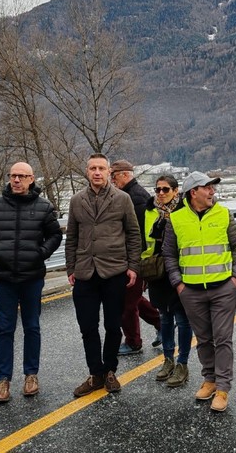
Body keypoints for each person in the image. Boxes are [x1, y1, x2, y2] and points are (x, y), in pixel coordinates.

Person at [0, 162, 63, 403]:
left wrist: (41, 252)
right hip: (4, 277)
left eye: (21, 176)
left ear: (31, 179)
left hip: (32, 277)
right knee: (5, 329)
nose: (16, 180)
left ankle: (31, 375)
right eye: (13, 176)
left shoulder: (43, 207)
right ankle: (3, 380)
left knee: (32, 326)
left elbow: (56, 235)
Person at [162, 171, 236, 412]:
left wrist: (235, 278)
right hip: (192, 291)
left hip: (223, 289)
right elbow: (169, 254)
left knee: (222, 339)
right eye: (207, 187)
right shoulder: (175, 220)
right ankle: (209, 379)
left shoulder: (223, 214)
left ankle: (222, 389)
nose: (212, 192)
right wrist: (179, 283)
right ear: (193, 192)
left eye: (213, 187)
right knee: (205, 339)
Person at [65, 153, 142, 397]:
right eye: (92, 168)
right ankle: (95, 373)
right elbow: (72, 237)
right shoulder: (77, 201)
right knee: (88, 326)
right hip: (85, 272)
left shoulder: (122, 199)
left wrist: (133, 266)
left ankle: (110, 370)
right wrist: (71, 268)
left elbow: (133, 233)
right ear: (87, 172)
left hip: (114, 271)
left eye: (101, 168)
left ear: (109, 172)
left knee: (112, 325)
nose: (97, 172)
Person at [143, 175, 193, 388]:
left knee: (182, 319)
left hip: (179, 270)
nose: (161, 194)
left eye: (165, 189)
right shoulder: (149, 211)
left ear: (175, 191)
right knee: (164, 318)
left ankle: (182, 363)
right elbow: (144, 239)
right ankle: (168, 360)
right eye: (157, 190)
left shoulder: (184, 209)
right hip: (157, 272)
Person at [110, 159, 162, 355]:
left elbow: (138, 233)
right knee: (133, 298)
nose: (112, 181)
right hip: (131, 257)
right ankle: (161, 324)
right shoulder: (133, 194)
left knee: (127, 303)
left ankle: (133, 342)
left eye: (114, 177)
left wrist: (135, 262)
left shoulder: (135, 198)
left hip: (135, 259)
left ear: (125, 174)